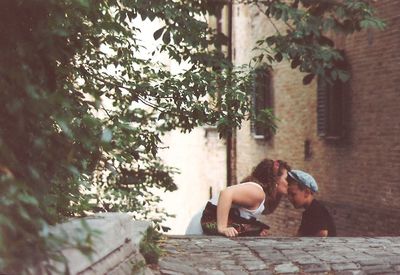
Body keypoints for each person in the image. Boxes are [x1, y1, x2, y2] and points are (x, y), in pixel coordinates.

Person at [186, 158, 291, 237]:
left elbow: (242, 216)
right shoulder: (258, 192)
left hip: (204, 226)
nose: (289, 183)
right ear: (275, 179)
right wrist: (222, 228)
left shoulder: (258, 192)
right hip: (203, 228)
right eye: (287, 178)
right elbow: (226, 193)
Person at [287, 170, 336, 237]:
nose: (289, 198)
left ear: (307, 192)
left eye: (293, 194)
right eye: (288, 194)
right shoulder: (308, 211)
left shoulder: (316, 209)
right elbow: (300, 235)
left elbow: (323, 233)